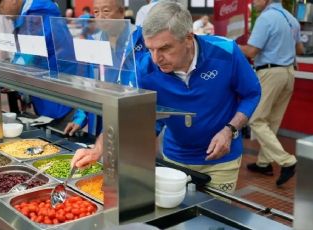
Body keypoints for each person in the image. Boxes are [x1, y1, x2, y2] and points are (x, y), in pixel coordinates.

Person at [71, 1, 262, 193]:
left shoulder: (226, 52)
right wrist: (98, 149)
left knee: (215, 219)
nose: (156, 58)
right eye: (150, 49)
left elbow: (252, 94)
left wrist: (229, 129)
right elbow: (127, 113)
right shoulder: (145, 68)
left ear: (188, 38)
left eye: (164, 48)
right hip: (175, 157)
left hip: (222, 160)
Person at [240, 0, 304, 186]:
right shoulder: (292, 19)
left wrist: (230, 45)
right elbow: (299, 49)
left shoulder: (266, 18)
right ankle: (264, 163)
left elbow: (252, 51)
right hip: (289, 73)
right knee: (272, 120)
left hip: (270, 72)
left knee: (256, 119)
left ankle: (287, 161)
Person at [63, 0, 147, 136]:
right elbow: (88, 83)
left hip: (130, 115)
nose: (101, 17)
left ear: (121, 12)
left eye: (106, 11)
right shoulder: (94, 41)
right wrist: (80, 118)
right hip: (101, 115)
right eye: (96, 12)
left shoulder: (140, 39)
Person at [0, 0, 76, 122]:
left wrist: (9, 76)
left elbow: (28, 52)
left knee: (57, 135)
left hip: (57, 95)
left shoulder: (37, 13)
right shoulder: (28, 13)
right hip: (46, 90)